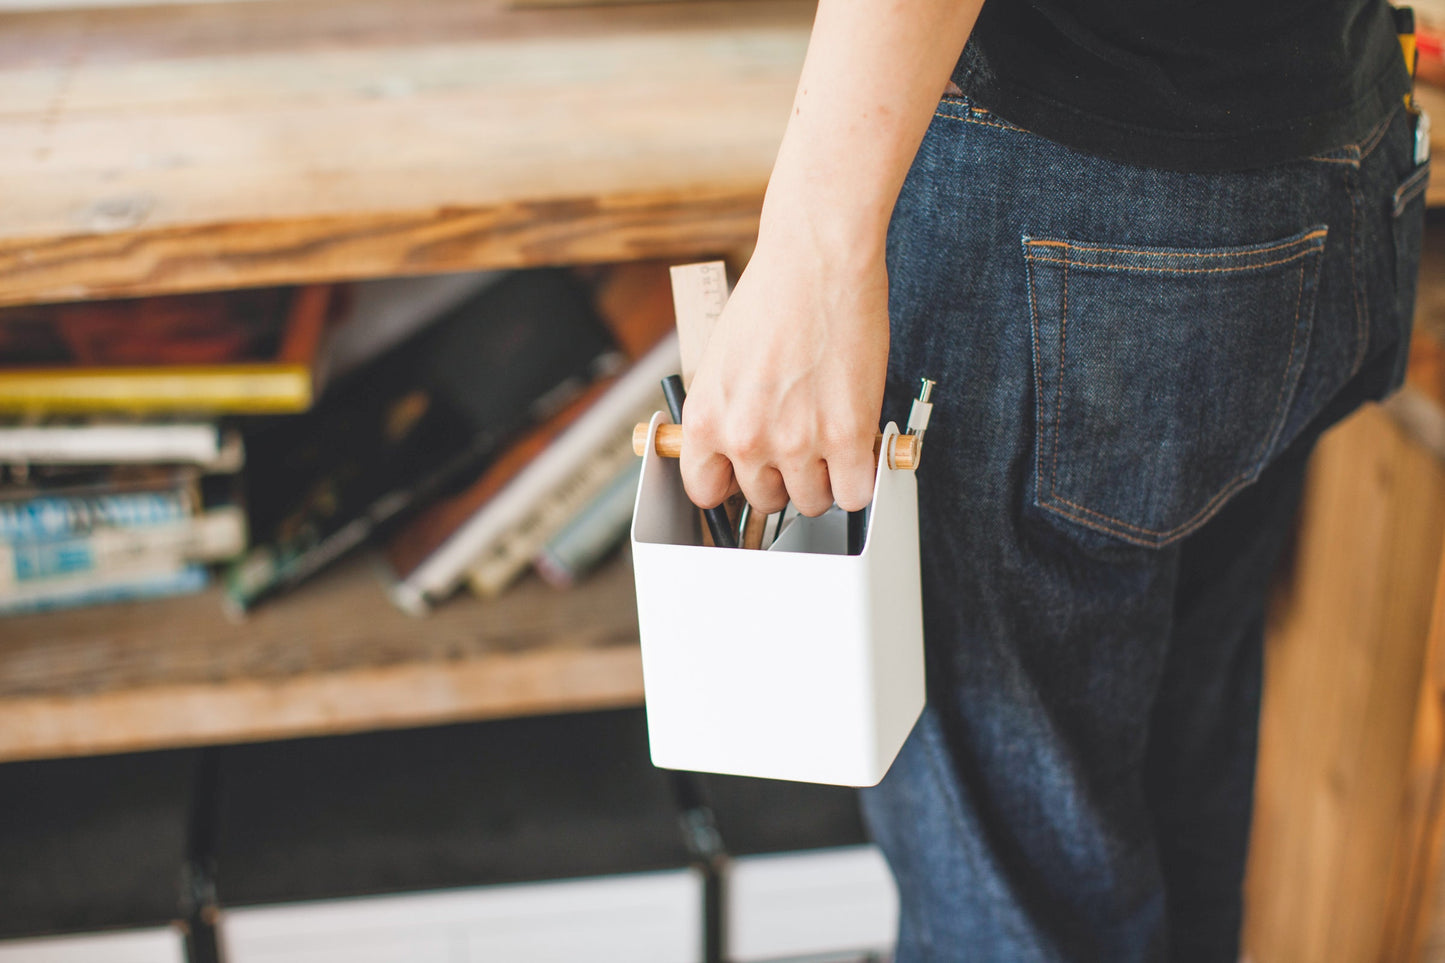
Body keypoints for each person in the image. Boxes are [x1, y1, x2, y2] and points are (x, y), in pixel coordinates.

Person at [678, 1, 1430, 959]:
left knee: (1015, 899)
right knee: (1173, 809)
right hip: (1324, 146)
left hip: (1070, 198)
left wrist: (811, 253)